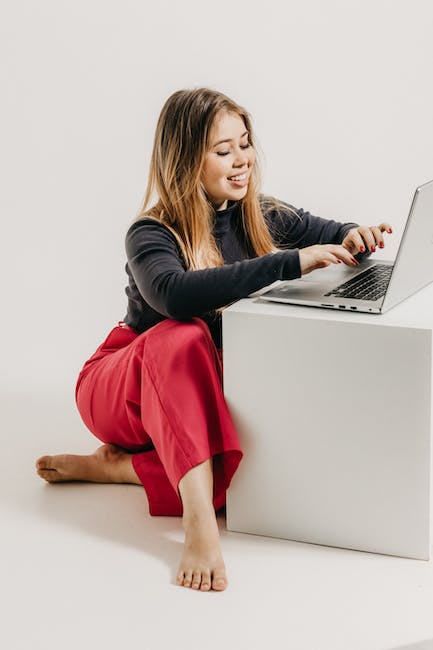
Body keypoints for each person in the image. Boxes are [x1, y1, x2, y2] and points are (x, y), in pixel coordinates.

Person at [35, 87, 393, 592]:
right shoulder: (151, 231)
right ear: (185, 160)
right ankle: (198, 524)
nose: (241, 160)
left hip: (187, 397)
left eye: (244, 144)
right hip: (121, 388)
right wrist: (290, 261)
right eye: (223, 151)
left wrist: (357, 235)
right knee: (181, 334)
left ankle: (122, 469)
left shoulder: (260, 213)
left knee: (243, 475)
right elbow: (174, 295)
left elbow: (332, 231)